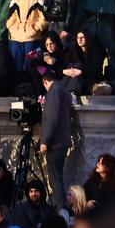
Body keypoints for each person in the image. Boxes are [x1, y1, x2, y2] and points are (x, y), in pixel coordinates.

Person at [39, 70, 73, 210]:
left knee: (55, 179)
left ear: (45, 81)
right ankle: (60, 207)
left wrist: (44, 140)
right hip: (63, 140)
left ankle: (61, 210)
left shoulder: (54, 91)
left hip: (55, 142)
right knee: (57, 176)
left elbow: (52, 119)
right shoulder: (64, 90)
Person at [7, 0, 47, 72]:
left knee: (30, 67)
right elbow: (11, 17)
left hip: (32, 39)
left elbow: (44, 18)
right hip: (16, 39)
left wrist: (35, 28)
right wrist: (11, 28)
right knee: (16, 68)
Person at [62, 29, 105, 97]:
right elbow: (64, 67)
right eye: (78, 38)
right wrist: (68, 71)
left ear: (87, 38)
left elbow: (96, 70)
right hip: (76, 80)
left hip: (90, 79)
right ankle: (71, 94)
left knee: (77, 68)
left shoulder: (94, 52)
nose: (80, 40)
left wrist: (81, 71)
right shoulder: (73, 51)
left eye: (82, 37)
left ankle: (71, 94)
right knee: (73, 68)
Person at [26, 31, 67, 97]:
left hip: (59, 79)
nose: (49, 47)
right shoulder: (43, 52)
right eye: (47, 44)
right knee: (32, 64)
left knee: (49, 72)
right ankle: (40, 96)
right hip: (43, 80)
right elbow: (29, 57)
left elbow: (63, 69)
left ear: (56, 43)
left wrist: (54, 63)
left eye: (51, 43)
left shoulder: (63, 52)